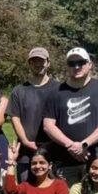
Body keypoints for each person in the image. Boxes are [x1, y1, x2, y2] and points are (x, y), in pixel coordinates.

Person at [43, 47, 98, 186]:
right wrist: (71, 145)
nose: (76, 66)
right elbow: (48, 125)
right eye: (72, 63)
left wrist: (84, 144)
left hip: (97, 158)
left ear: (90, 65)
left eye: (81, 62)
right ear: (67, 67)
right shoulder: (55, 93)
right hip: (64, 159)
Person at [9, 47, 59, 183]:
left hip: (53, 152)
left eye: (41, 61)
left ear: (48, 63)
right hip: (25, 153)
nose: (38, 64)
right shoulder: (19, 91)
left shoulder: (59, 89)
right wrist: (25, 141)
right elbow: (15, 118)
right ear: (29, 64)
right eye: (34, 61)